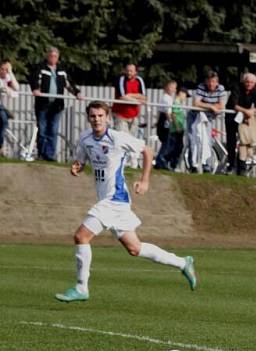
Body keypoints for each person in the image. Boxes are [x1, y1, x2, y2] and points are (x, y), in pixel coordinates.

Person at [54, 100, 197, 303]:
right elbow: (82, 159)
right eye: (93, 116)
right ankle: (183, 262)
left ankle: (81, 287)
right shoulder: (85, 138)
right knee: (135, 249)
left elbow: (147, 151)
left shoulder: (116, 138)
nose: (97, 120)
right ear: (88, 118)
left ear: (108, 117)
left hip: (115, 199)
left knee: (81, 237)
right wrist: (77, 166)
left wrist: (144, 180)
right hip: (110, 201)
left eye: (101, 116)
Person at [30, 46, 83, 161]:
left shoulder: (61, 70)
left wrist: (76, 93)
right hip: (42, 105)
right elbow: (34, 79)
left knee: (53, 130)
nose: (53, 58)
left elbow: (69, 84)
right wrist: (35, 89)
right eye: (51, 56)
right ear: (47, 56)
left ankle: (50, 155)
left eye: (55, 56)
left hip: (57, 106)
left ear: (58, 57)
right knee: (42, 130)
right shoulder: (41, 68)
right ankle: (42, 154)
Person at [187, 70, 225, 173]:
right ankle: (193, 166)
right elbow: (195, 103)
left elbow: (221, 105)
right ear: (205, 81)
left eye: (213, 81)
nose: (211, 84)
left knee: (207, 141)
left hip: (207, 118)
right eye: (209, 81)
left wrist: (205, 105)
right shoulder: (201, 87)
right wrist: (211, 106)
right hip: (195, 116)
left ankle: (207, 166)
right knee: (193, 140)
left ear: (217, 82)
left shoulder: (220, 89)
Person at [224, 72, 256, 175]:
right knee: (231, 141)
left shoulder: (255, 91)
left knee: (244, 141)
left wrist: (252, 111)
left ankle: (242, 168)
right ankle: (231, 166)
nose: (249, 84)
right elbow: (234, 105)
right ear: (244, 82)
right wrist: (247, 111)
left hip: (244, 118)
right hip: (232, 117)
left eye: (252, 82)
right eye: (247, 82)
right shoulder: (237, 88)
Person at [155, 87, 188, 171]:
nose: (185, 97)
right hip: (175, 130)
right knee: (174, 148)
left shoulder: (178, 103)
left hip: (178, 130)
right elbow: (173, 114)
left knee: (177, 147)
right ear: (181, 93)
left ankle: (168, 164)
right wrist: (177, 127)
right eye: (185, 95)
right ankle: (165, 163)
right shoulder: (176, 103)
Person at [111, 63, 146, 134]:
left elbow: (144, 97)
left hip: (134, 117)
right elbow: (122, 97)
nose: (128, 73)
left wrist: (130, 95)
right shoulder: (121, 79)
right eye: (127, 71)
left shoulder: (139, 80)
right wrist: (137, 100)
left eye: (131, 71)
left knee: (132, 141)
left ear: (135, 72)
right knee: (122, 140)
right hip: (120, 115)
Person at [0, 60, 20, 156]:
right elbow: (4, 88)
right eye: (2, 69)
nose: (4, 71)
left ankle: (1, 147)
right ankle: (1, 147)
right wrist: (6, 89)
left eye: (6, 70)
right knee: (3, 122)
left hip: (2, 107)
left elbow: (16, 88)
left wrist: (11, 72)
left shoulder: (7, 77)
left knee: (2, 125)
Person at [156, 80, 177, 146]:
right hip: (165, 122)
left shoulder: (166, 97)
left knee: (166, 144)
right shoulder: (167, 98)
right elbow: (167, 113)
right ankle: (160, 156)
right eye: (171, 87)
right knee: (167, 143)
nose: (173, 90)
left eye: (174, 88)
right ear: (166, 87)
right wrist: (173, 124)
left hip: (162, 121)